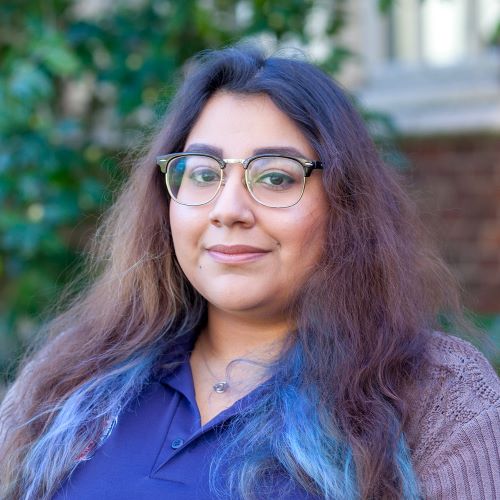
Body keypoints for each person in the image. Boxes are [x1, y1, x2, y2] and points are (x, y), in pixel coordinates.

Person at [1, 44, 499, 500]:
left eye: (276, 176)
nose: (229, 209)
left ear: (344, 203)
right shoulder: (68, 379)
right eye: (202, 174)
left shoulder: (434, 395)